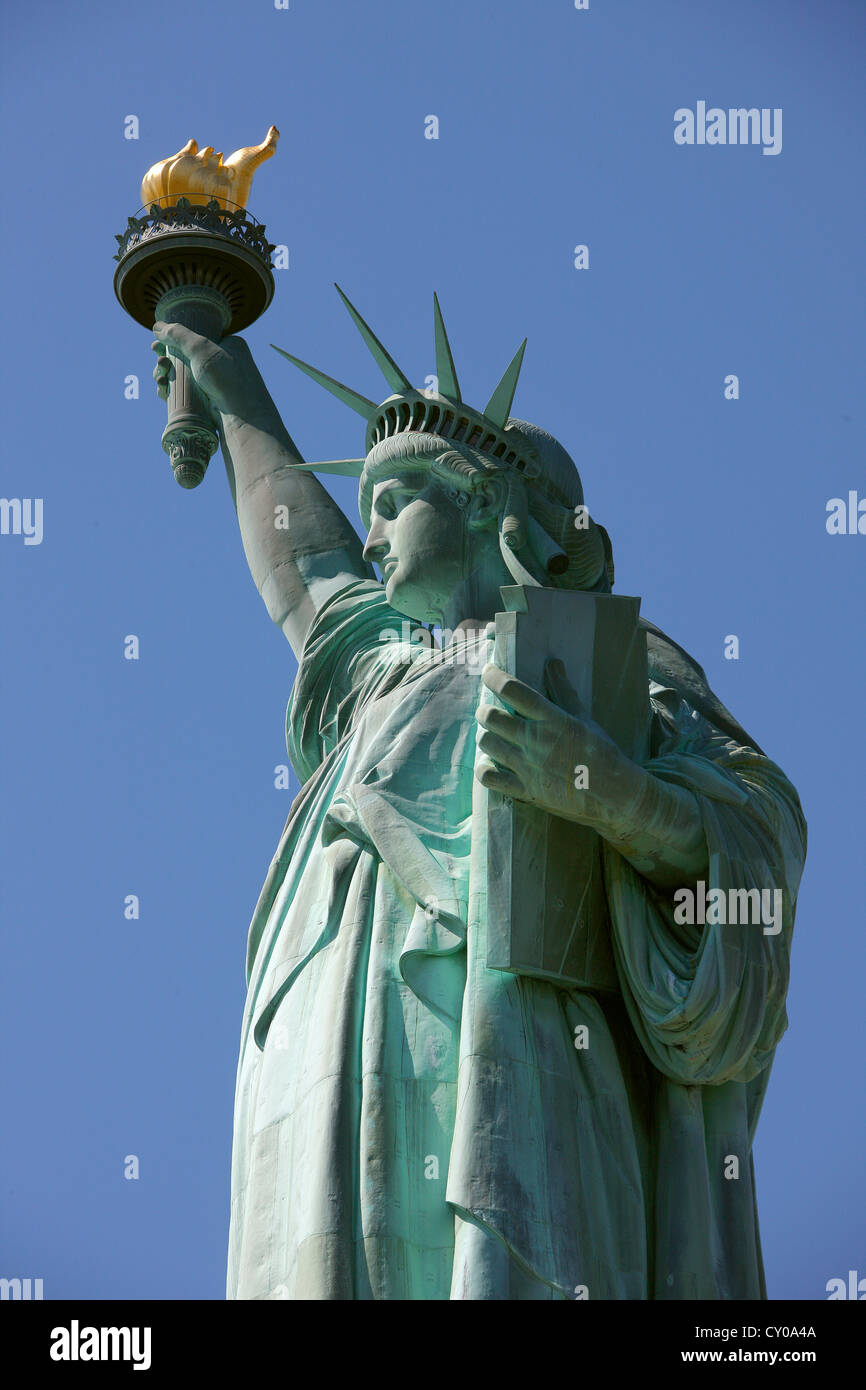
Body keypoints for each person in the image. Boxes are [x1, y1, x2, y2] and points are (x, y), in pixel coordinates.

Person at [153, 290, 806, 1300]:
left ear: (484, 503)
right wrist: (225, 373)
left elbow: (755, 839)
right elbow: (305, 565)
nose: (366, 538)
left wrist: (602, 788)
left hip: (526, 1073)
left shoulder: (591, 669)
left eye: (388, 500)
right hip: (330, 1076)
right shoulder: (379, 674)